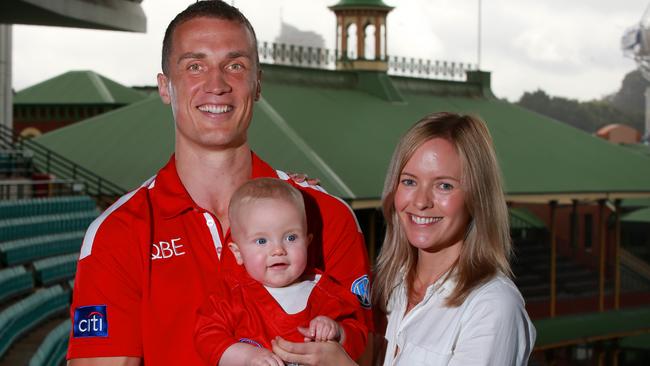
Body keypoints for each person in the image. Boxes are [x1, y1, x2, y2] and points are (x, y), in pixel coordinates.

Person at [66, 1, 371, 365]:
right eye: (195, 66)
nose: (217, 84)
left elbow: (364, 352)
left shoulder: (326, 215)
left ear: (257, 85)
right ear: (165, 87)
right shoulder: (116, 233)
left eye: (235, 66)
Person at [272, 112, 536, 365]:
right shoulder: (386, 288)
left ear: (477, 197)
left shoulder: (493, 307)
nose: (420, 202)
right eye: (409, 182)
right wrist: (298, 200)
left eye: (444, 185)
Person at [194, 178, 367, 366]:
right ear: (238, 253)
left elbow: (359, 335)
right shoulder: (231, 296)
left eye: (291, 237)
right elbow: (206, 335)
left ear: (307, 242)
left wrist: (338, 332)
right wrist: (245, 356)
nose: (278, 250)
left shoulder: (326, 292)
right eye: (261, 241)